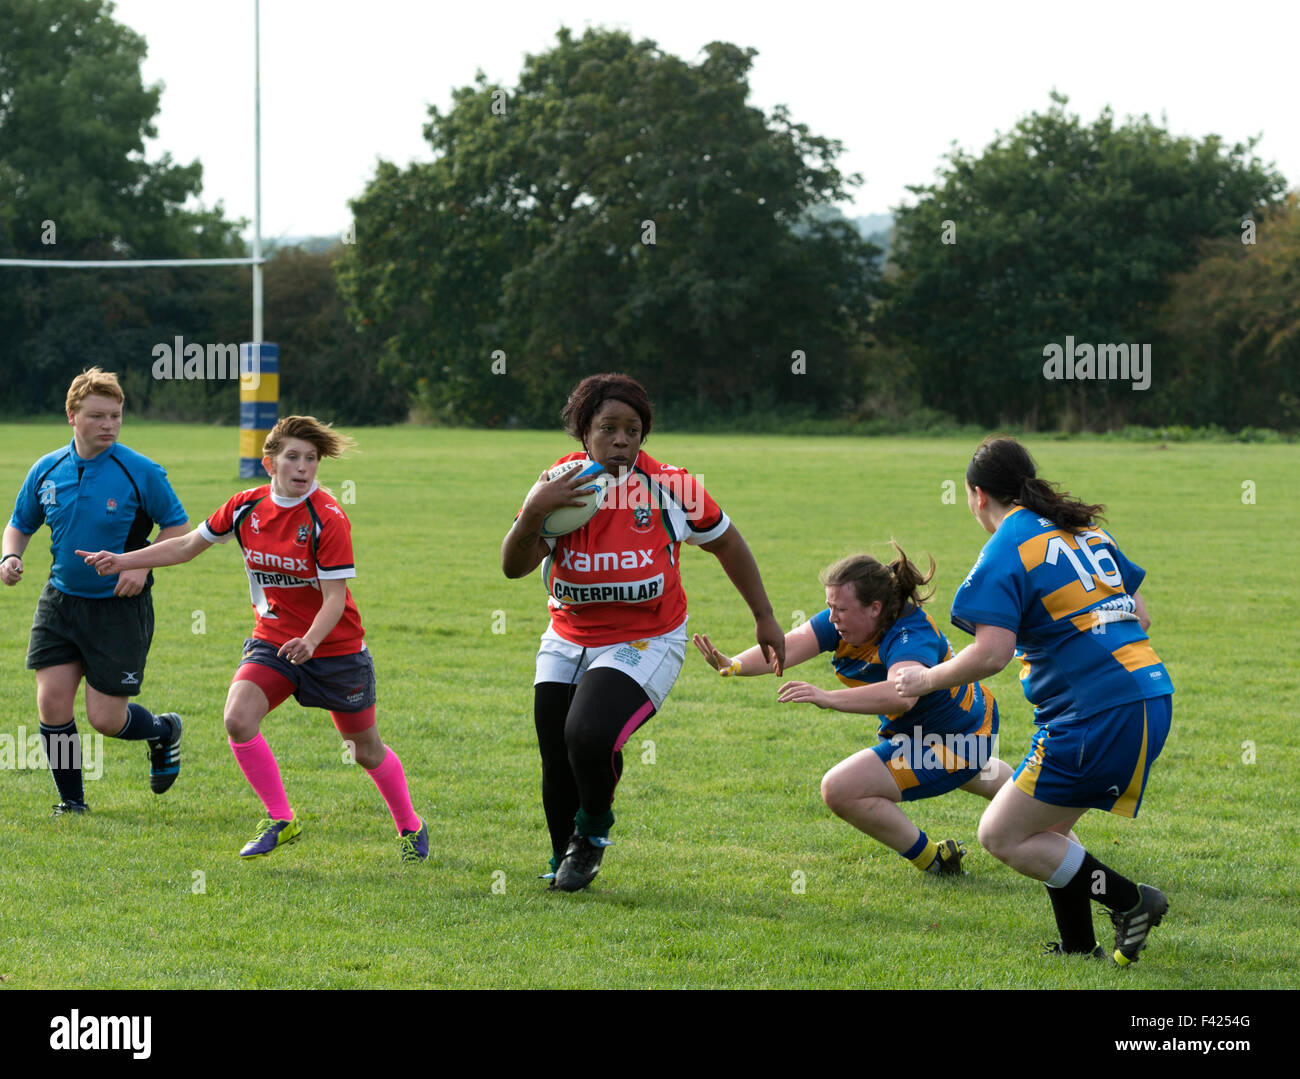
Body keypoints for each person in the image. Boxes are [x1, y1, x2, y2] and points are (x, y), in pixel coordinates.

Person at [78, 415, 428, 864]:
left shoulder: (328, 518)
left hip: (335, 648)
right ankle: (281, 819)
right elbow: (186, 546)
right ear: (269, 463)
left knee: (364, 749)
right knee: (238, 718)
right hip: (273, 640)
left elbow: (335, 599)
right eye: (293, 458)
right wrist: (123, 559)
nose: (303, 468)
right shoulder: (245, 506)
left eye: (312, 459)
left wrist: (311, 641)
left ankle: (409, 825)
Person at [894, 436, 1174, 965]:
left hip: (1096, 712)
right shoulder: (1083, 529)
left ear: (977, 496)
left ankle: (1132, 901)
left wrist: (927, 680)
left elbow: (991, 654)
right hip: (1150, 695)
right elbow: (1140, 615)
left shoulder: (1005, 547)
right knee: (1045, 833)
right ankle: (1077, 945)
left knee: (1000, 834)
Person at [502, 373, 785, 892]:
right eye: (607, 428)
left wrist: (764, 615)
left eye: (633, 429)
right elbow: (511, 567)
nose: (621, 440)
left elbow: (728, 543)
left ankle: (591, 835)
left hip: (647, 638)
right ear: (583, 432)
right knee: (555, 745)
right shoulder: (558, 485)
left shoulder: (673, 487)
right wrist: (534, 513)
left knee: (588, 733)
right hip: (567, 633)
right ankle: (562, 855)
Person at [694, 544, 1011, 877]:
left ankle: (935, 860)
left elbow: (901, 695)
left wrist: (827, 697)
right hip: (957, 728)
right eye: (830, 607)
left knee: (841, 789)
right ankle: (1032, 798)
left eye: (840, 609)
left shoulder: (909, 635)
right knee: (977, 775)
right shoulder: (848, 621)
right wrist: (735, 664)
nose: (832, 617)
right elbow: (789, 644)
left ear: (874, 608)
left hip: (953, 739)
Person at [2, 367, 189, 816]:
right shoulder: (46, 469)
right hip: (61, 600)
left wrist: (140, 566)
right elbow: (19, 525)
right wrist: (9, 557)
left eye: (116, 416)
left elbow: (180, 529)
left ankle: (163, 732)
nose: (109, 425)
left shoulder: (139, 470)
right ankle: (72, 802)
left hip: (119, 608)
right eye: (97, 416)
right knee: (51, 702)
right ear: (72, 416)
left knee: (105, 719)